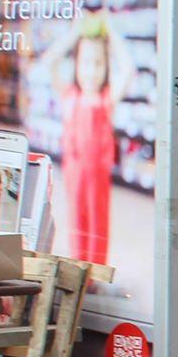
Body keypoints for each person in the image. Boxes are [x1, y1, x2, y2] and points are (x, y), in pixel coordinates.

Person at [60, 18, 120, 267]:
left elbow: (128, 69)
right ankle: (78, 265)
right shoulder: (70, 96)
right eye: (85, 62)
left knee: (98, 218)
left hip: (98, 171)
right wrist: (75, 33)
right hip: (74, 169)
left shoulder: (107, 98)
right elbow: (48, 62)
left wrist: (111, 32)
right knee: (77, 218)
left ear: (106, 67)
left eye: (98, 63)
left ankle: (96, 269)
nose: (91, 70)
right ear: (75, 64)